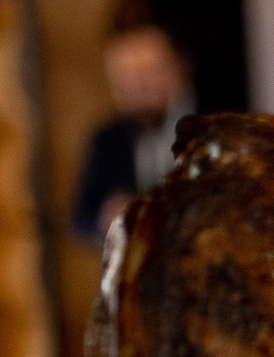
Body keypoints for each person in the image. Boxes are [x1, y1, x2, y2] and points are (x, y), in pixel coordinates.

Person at [70, 25, 194, 245]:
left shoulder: (217, 128)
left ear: (178, 69)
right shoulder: (108, 138)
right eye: (125, 76)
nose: (138, 86)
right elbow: (79, 220)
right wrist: (105, 216)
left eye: (148, 72)